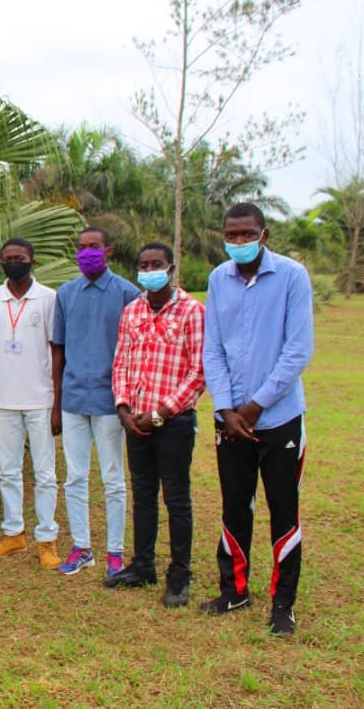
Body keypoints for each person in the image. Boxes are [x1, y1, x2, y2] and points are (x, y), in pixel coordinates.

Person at [201, 203, 314, 636]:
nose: (240, 242)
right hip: (231, 421)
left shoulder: (291, 276)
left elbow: (297, 350)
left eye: (248, 235)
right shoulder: (217, 279)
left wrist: (256, 405)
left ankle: (283, 604)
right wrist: (227, 409)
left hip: (279, 418)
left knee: (283, 511)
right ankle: (234, 591)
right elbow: (213, 349)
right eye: (232, 235)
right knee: (234, 506)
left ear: (264, 234)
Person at [107, 242, 205, 608]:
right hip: (135, 421)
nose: (149, 269)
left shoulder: (193, 312)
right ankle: (142, 565)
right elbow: (120, 364)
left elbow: (198, 372)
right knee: (143, 496)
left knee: (176, 499)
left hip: (173, 423)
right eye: (143, 264)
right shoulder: (131, 311)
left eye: (156, 264)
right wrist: (123, 409)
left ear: (172, 267)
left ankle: (179, 575)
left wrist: (161, 412)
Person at [52, 227, 139, 577]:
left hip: (110, 401)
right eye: (81, 247)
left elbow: (135, 350)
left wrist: (128, 399)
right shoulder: (66, 293)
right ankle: (81, 547)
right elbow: (57, 348)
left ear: (109, 252)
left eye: (94, 247)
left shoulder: (127, 293)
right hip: (73, 399)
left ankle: (115, 552)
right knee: (74, 477)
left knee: (113, 478)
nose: (87, 253)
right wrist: (57, 401)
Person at [0, 239, 62, 569]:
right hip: (4, 400)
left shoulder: (48, 298)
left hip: (40, 399)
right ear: (1, 264)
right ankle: (13, 533)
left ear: (32, 261)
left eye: (20, 258)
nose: (14, 262)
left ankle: (46, 539)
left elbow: (57, 351)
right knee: (8, 471)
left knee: (45, 473)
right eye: (9, 258)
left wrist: (56, 401)